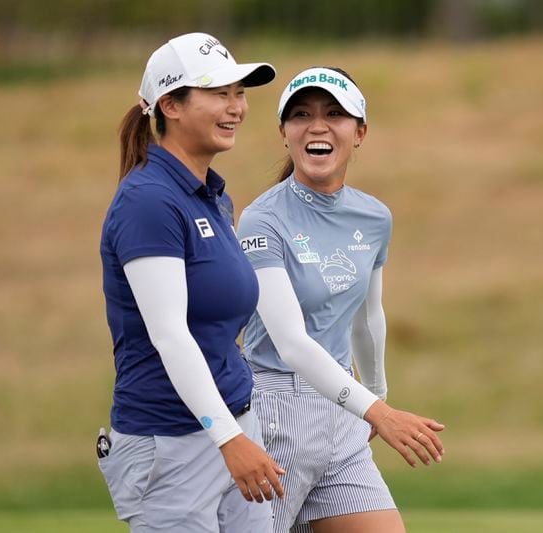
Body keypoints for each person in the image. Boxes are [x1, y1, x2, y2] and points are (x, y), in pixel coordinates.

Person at [237, 66, 446, 533]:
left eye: (335, 113)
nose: (317, 125)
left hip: (342, 415)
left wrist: (376, 393)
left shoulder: (374, 216)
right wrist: (379, 411)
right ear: (284, 133)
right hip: (273, 413)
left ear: (360, 132)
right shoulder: (261, 219)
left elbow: (368, 317)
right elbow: (290, 342)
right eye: (301, 115)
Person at [97, 32, 284, 533]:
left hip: (231, 426)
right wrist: (229, 439)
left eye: (239, 93)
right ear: (170, 105)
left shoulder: (212, 197)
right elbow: (170, 335)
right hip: (172, 446)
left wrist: (238, 430)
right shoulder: (148, 201)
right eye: (218, 93)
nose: (236, 107)